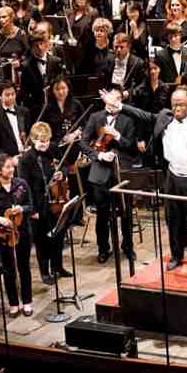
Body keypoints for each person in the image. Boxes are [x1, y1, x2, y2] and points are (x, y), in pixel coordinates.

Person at [100, 86, 187, 278]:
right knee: (174, 221)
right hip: (172, 178)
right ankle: (176, 256)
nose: (177, 107)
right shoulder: (164, 117)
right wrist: (118, 105)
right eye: (174, 103)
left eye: (181, 104)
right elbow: (142, 114)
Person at [80, 86, 138, 263]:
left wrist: (118, 136)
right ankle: (103, 248)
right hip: (100, 172)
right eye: (110, 98)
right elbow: (83, 143)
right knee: (103, 214)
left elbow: (132, 147)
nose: (113, 102)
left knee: (126, 213)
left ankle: (128, 246)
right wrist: (99, 155)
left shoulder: (128, 119)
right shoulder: (95, 117)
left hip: (122, 171)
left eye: (117, 99)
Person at [0, 154, 34, 317]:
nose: (11, 170)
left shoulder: (21, 184)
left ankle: (27, 302)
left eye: (12, 166)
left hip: (22, 230)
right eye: (7, 167)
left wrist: (22, 209)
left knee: (24, 267)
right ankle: (13, 304)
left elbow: (31, 206)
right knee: (8, 269)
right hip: (3, 234)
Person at [19, 122, 70, 284]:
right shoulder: (26, 160)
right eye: (41, 141)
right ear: (33, 140)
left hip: (56, 200)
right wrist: (32, 210)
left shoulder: (53, 149)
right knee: (42, 240)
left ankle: (58, 267)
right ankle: (45, 272)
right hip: (38, 204)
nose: (45, 144)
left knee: (58, 235)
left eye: (47, 140)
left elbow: (66, 165)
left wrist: (62, 173)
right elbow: (24, 187)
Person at [0, 81, 31, 162]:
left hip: (27, 156)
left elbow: (30, 135)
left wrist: (30, 147)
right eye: (7, 95)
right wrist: (9, 159)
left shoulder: (24, 111)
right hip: (10, 161)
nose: (11, 97)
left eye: (13, 94)